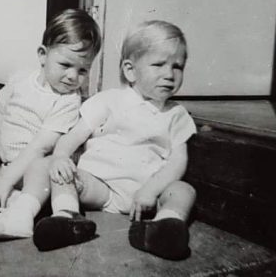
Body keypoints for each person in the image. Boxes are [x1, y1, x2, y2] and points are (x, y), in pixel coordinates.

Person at [33, 20, 197, 260]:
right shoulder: (108, 100)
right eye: (159, 64)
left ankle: (165, 227)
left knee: (183, 190)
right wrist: (60, 157)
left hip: (149, 192)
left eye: (178, 66)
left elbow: (177, 162)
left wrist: (151, 190)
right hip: (101, 187)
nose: (169, 74)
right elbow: (74, 136)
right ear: (130, 70)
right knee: (60, 172)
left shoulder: (176, 115)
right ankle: (67, 216)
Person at [0, 9, 101, 240]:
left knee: (40, 170)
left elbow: (40, 147)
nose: (72, 76)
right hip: (6, 165)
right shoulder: (20, 79)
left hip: (34, 171)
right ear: (43, 55)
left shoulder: (68, 100)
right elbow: (0, 109)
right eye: (65, 64)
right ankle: (14, 200)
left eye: (82, 70)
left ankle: (22, 205)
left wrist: (6, 180)